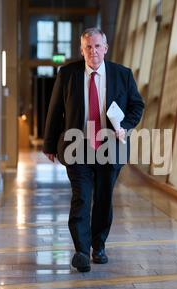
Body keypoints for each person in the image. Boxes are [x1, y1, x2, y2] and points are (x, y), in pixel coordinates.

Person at [43, 28, 145, 272]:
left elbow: (137, 105)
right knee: (81, 198)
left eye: (97, 46)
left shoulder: (122, 75)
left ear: (105, 48)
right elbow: (56, 109)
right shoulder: (67, 74)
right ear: (81, 50)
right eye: (88, 47)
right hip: (78, 147)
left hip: (110, 148)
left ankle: (98, 246)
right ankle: (81, 250)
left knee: (103, 199)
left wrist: (126, 127)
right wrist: (49, 144)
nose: (93, 51)